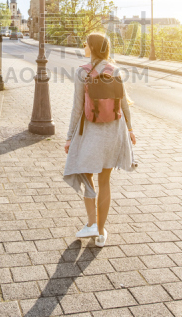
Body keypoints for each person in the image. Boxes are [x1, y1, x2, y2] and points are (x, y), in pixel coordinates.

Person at [63, 32, 136, 247]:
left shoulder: (82, 73)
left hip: (91, 133)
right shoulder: (117, 71)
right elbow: (123, 105)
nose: (83, 46)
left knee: (87, 177)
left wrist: (68, 138)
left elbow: (77, 109)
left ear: (92, 48)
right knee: (106, 181)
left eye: (85, 44)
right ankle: (101, 233)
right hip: (114, 132)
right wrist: (130, 129)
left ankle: (91, 224)